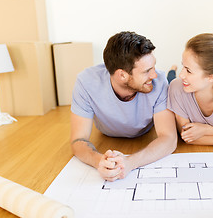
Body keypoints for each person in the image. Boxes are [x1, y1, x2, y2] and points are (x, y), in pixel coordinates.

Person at [71, 31, 177, 181]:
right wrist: (100, 161)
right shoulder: (86, 82)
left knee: (172, 80)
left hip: (144, 133)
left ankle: (173, 70)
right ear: (122, 75)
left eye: (153, 67)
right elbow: (78, 140)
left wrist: (129, 163)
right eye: (147, 71)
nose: (154, 75)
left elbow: (169, 139)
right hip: (107, 134)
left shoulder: (159, 82)